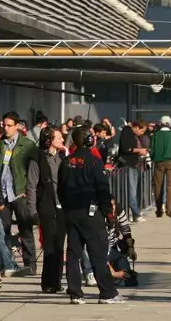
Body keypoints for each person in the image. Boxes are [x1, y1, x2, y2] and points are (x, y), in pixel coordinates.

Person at [57, 126, 125, 304]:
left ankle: (75, 294)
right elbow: (103, 190)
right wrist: (109, 214)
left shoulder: (66, 162)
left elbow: (60, 190)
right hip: (91, 214)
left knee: (73, 254)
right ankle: (107, 293)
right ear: (88, 140)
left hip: (71, 213)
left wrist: (67, 208)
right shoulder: (95, 162)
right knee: (98, 254)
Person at [0, 111, 38, 277]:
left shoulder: (27, 145)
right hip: (2, 196)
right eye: (4, 125)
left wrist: (29, 190)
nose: (6, 128)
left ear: (16, 126)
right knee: (4, 230)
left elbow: (35, 169)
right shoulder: (0, 145)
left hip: (19, 194)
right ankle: (9, 264)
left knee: (25, 229)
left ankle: (30, 264)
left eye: (9, 125)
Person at [36, 126, 66, 293]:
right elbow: (32, 185)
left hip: (62, 208)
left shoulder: (62, 158)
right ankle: (48, 282)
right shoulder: (40, 159)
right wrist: (32, 210)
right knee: (49, 245)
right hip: (47, 207)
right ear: (49, 140)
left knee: (59, 245)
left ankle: (57, 281)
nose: (62, 140)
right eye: (59, 137)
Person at [150, 116, 171, 218]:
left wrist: (153, 158)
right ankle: (169, 209)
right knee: (170, 186)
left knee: (158, 186)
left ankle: (159, 209)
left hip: (158, 162)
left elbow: (152, 149)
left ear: (160, 123)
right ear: (170, 123)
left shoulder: (155, 135)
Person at [117, 121, 148, 221]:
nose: (142, 133)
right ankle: (136, 213)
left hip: (134, 164)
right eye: (142, 131)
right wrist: (139, 150)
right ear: (136, 127)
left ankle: (135, 212)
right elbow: (126, 148)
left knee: (134, 189)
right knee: (131, 190)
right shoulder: (127, 132)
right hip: (128, 165)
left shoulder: (133, 135)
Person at [104, 195, 138, 287]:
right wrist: (114, 273)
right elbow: (99, 251)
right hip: (98, 253)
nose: (113, 208)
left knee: (127, 275)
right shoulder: (100, 216)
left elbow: (126, 230)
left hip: (113, 250)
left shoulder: (118, 210)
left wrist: (131, 248)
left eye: (114, 204)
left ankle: (112, 276)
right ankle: (92, 273)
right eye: (110, 206)